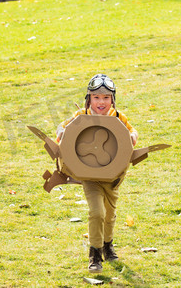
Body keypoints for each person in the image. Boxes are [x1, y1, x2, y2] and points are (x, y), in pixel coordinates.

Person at [56, 74, 138, 274]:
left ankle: (108, 245)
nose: (101, 102)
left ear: (112, 99)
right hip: (90, 176)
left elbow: (133, 132)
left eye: (106, 98)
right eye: (96, 97)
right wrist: (62, 133)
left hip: (114, 177)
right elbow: (62, 128)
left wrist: (133, 136)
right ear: (89, 99)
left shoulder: (118, 117)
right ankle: (95, 254)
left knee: (109, 215)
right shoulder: (81, 115)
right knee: (97, 213)